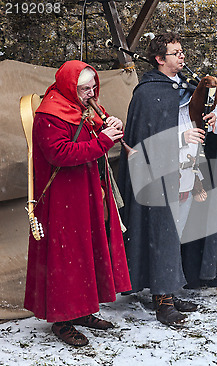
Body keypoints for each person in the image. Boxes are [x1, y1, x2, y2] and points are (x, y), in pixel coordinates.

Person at [118, 32, 217, 325]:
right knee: (162, 234)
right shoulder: (147, 93)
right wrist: (181, 137)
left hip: (187, 171)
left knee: (176, 232)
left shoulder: (184, 89)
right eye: (175, 53)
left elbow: (204, 117)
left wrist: (212, 116)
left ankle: (168, 288)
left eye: (182, 52)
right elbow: (144, 142)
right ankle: (163, 299)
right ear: (159, 59)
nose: (182, 57)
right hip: (160, 175)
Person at [24, 60, 132, 347]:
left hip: (85, 192)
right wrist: (103, 143)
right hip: (62, 199)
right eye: (85, 89)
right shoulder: (49, 114)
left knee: (86, 252)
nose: (92, 93)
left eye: (93, 87)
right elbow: (58, 153)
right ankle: (62, 319)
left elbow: (97, 127)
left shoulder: (81, 104)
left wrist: (112, 124)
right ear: (71, 87)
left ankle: (83, 311)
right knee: (66, 257)